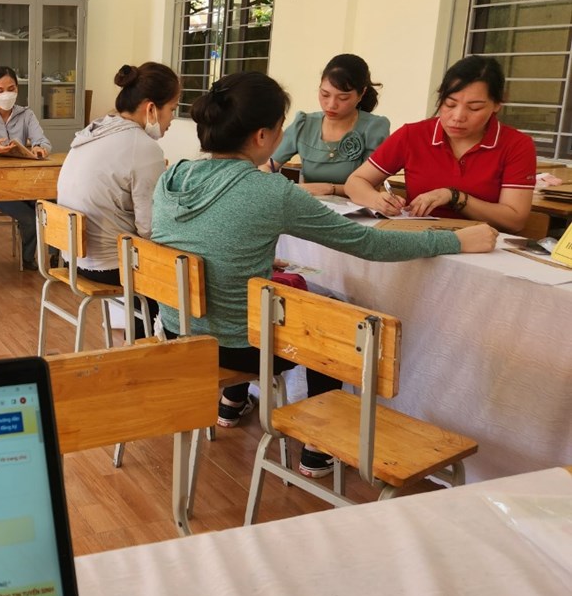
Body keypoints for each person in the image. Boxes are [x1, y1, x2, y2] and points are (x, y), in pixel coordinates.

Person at [151, 71, 497, 478]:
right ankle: (319, 445)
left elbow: (197, 242)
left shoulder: (172, 176)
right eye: (280, 128)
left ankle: (233, 403)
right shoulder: (270, 191)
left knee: (297, 300)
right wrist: (455, 241)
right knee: (329, 317)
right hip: (235, 346)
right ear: (262, 136)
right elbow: (369, 244)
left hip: (177, 331)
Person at [56, 62, 181, 336]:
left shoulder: (93, 131)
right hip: (108, 264)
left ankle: (139, 342)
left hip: (73, 256)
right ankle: (147, 348)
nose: (172, 119)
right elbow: (151, 229)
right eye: (172, 109)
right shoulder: (144, 147)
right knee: (183, 274)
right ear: (151, 108)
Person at [345, 55, 535, 233]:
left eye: (474, 108)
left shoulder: (516, 145)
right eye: (450, 104)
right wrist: (377, 200)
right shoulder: (413, 135)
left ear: (497, 104)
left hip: (482, 245)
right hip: (419, 238)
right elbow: (355, 182)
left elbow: (515, 220)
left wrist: (454, 197)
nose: (458, 117)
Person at [266, 53, 390, 197]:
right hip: (309, 205)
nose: (331, 105)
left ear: (361, 93)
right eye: (325, 94)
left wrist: (330, 188)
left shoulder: (374, 128)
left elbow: (372, 186)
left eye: (343, 98)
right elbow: (268, 165)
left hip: (357, 208)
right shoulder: (304, 124)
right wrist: (271, 181)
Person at [0, 65, 52, 269]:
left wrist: (40, 148)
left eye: (11, 89)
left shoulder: (26, 114)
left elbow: (43, 141)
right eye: (0, 90)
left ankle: (58, 258)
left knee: (51, 206)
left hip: (24, 183)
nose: (6, 94)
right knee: (29, 218)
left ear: (17, 89)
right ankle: (28, 259)